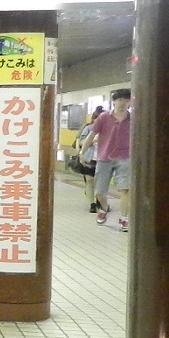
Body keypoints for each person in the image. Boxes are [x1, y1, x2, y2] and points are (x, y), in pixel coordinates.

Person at [81, 88, 132, 231]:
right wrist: (82, 152)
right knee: (99, 191)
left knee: (125, 190)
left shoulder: (133, 119)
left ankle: (124, 219)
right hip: (104, 158)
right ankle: (103, 208)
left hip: (125, 158)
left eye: (125, 100)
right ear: (114, 101)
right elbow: (91, 135)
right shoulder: (103, 117)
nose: (122, 103)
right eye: (119, 100)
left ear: (129, 102)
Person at [74, 105, 103, 212]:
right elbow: (81, 141)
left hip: (103, 159)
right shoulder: (88, 128)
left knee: (100, 182)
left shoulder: (110, 129)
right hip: (89, 158)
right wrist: (91, 140)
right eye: (96, 118)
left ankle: (100, 200)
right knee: (90, 180)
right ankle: (92, 204)